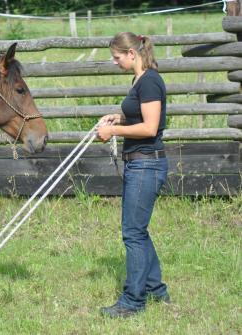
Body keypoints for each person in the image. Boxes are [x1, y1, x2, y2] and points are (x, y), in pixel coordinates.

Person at [96, 32, 170, 318]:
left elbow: (150, 128)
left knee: (133, 234)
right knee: (138, 230)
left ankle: (133, 301)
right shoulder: (140, 80)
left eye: (117, 57)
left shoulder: (150, 80)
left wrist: (113, 131)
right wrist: (119, 117)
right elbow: (138, 117)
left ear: (131, 54)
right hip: (139, 164)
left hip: (146, 165)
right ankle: (155, 290)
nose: (114, 62)